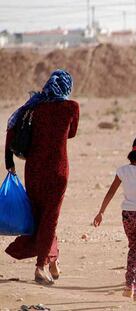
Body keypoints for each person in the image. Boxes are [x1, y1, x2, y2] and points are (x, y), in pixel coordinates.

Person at [4, 69, 79, 285]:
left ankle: (52, 260)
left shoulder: (33, 107)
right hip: (57, 172)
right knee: (50, 218)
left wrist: (8, 163)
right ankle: (40, 267)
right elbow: (71, 133)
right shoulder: (71, 107)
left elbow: (11, 130)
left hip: (34, 171)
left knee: (40, 216)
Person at [93, 136, 136, 302]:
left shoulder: (122, 170)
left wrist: (101, 212)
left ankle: (128, 286)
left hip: (127, 216)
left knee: (133, 248)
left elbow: (111, 192)